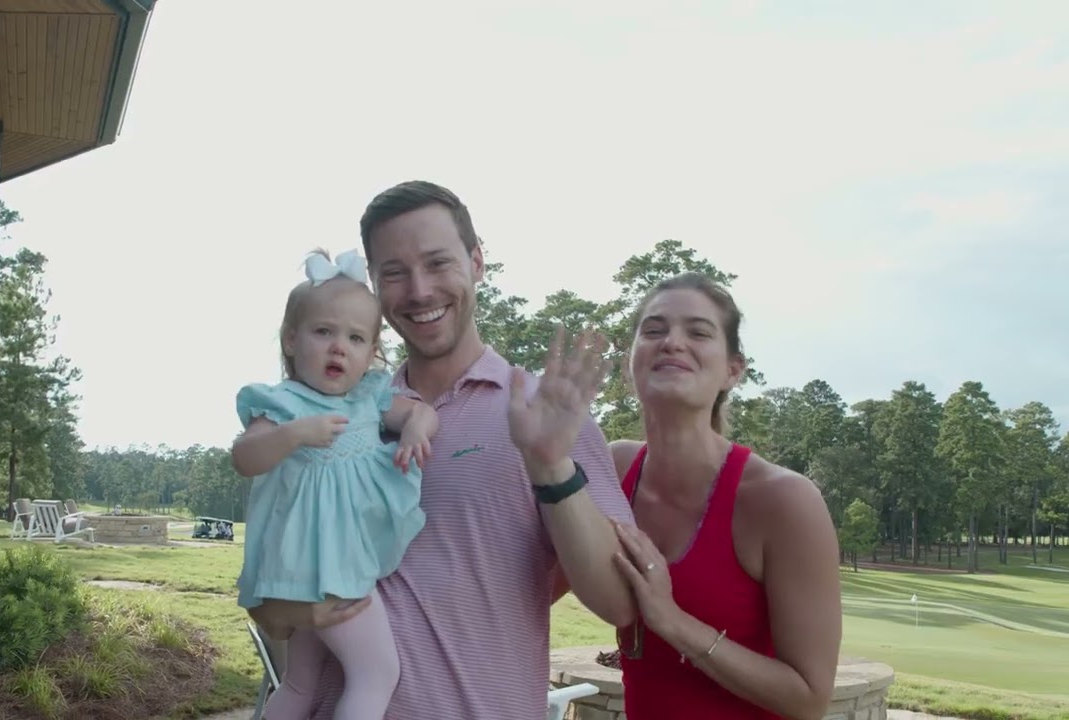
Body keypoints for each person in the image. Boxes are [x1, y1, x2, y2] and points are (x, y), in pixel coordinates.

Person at [245, 181, 636, 718]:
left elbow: (617, 602)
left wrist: (549, 464)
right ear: (374, 288)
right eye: (394, 272)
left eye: (437, 263)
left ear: (477, 261)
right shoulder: (340, 411)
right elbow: (275, 605)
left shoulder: (543, 413)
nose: (420, 290)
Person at [604, 272, 843, 719]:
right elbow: (533, 584)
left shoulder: (783, 502)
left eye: (698, 332)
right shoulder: (613, 469)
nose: (672, 342)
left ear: (733, 370)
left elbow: (809, 698)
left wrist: (672, 622)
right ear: (629, 362)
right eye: (654, 330)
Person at [232, 249, 440, 720]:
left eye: (355, 337)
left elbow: (424, 413)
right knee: (377, 673)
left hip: (311, 573)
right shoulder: (283, 404)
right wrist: (293, 435)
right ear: (290, 339)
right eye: (323, 331)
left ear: (371, 352)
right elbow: (245, 457)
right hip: (330, 568)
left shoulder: (368, 400)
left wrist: (414, 429)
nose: (338, 347)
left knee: (301, 685)